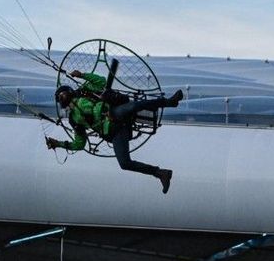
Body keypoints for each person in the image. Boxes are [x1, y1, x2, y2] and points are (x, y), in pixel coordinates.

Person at [45, 69, 183, 194]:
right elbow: (79, 144)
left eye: (62, 94)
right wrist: (59, 144)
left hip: (115, 113)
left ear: (69, 91)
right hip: (114, 132)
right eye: (60, 98)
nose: (62, 98)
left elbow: (101, 81)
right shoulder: (74, 120)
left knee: (134, 106)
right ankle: (160, 173)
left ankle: (170, 102)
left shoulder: (84, 91)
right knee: (124, 163)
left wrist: (82, 75)